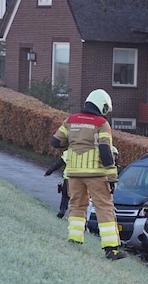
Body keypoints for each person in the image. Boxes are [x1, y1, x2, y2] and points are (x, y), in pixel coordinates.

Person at [50, 88, 125, 259]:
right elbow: (106, 151)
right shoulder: (102, 124)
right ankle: (111, 249)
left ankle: (74, 240)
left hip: (74, 173)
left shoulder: (70, 120)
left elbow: (55, 142)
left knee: (77, 205)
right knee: (104, 207)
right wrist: (112, 177)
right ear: (101, 105)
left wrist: (75, 141)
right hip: (96, 174)